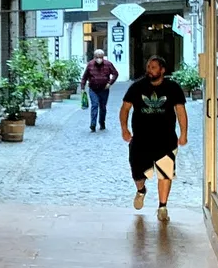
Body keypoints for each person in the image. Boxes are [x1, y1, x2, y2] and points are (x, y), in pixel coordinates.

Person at [120, 55, 187, 222]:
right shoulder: (137, 87)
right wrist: (124, 128)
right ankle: (141, 190)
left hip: (166, 139)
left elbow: (180, 111)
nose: (149, 70)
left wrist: (184, 133)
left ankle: (162, 207)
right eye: (148, 67)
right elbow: (125, 108)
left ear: (162, 70)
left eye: (153, 67)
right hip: (141, 139)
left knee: (165, 173)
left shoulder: (173, 88)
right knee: (138, 174)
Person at [80, 49, 118, 132]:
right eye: (97, 57)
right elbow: (85, 77)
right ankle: (93, 124)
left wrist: (110, 83)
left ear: (103, 57)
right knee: (94, 105)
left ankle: (102, 122)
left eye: (100, 57)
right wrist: (82, 88)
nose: (99, 59)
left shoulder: (108, 64)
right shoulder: (90, 65)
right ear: (94, 57)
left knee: (103, 107)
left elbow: (115, 73)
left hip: (104, 89)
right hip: (93, 89)